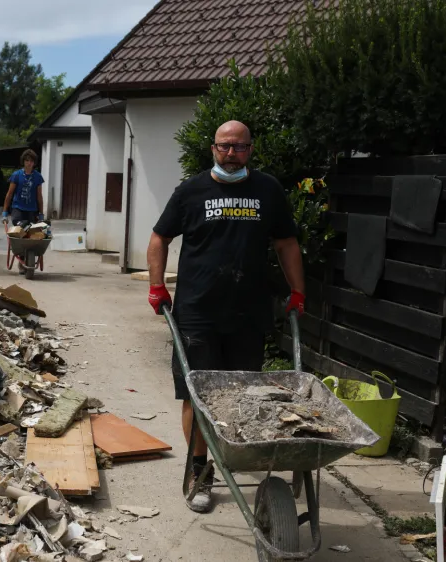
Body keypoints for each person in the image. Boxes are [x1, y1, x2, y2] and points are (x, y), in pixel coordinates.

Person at [146, 120, 306, 513]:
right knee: (197, 395)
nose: (231, 153)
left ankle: (231, 456)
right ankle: (198, 471)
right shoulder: (191, 190)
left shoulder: (268, 190)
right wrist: (156, 287)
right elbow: (159, 238)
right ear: (213, 148)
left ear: (251, 149)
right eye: (224, 146)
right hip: (197, 312)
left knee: (239, 396)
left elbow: (286, 242)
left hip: (248, 312)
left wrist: (297, 290)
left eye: (239, 147)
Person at [2, 149, 45, 225]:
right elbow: (9, 194)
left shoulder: (38, 177)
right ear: (23, 161)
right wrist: (5, 213)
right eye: (27, 160)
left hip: (32, 209)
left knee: (31, 230)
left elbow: (39, 197)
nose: (29, 163)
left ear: (34, 163)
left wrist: (41, 214)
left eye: (31, 161)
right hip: (18, 208)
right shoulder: (16, 175)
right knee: (20, 225)